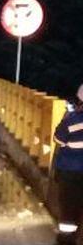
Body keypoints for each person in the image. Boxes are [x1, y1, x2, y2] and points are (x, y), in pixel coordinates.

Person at [53, 84, 83, 230]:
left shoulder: (73, 120)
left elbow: (58, 139)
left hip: (70, 169)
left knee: (68, 205)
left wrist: (65, 118)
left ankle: (66, 242)